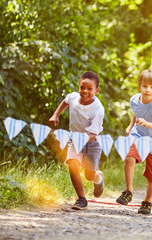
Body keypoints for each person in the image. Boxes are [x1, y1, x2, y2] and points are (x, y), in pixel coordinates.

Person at [49, 71, 105, 210]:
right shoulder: (74, 97)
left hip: (91, 143)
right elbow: (65, 101)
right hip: (74, 140)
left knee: (89, 175)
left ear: (96, 90)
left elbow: (93, 134)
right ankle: (82, 199)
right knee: (73, 165)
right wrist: (56, 115)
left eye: (89, 89)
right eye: (82, 87)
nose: (85, 91)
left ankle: (98, 178)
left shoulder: (98, 108)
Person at [116, 69, 152, 215]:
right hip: (138, 136)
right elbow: (137, 111)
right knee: (129, 158)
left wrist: (147, 123)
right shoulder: (134, 99)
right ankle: (128, 190)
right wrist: (130, 126)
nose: (148, 90)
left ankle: (147, 201)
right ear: (139, 86)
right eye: (145, 86)